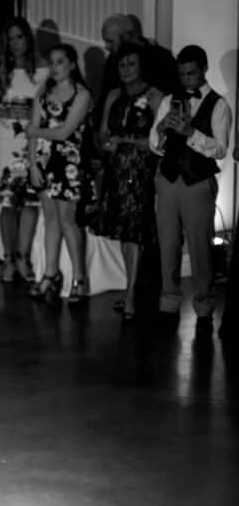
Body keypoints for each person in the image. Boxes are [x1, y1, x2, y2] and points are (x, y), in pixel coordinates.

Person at [149, 45, 232, 333]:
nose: (186, 79)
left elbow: (220, 149)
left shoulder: (219, 105)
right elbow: (154, 145)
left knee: (200, 248)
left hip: (197, 183)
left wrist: (190, 134)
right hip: (168, 179)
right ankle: (169, 303)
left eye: (191, 73)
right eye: (182, 73)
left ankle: (205, 308)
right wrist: (161, 129)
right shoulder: (170, 100)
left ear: (204, 69)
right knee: (168, 245)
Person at [94, 43, 163, 320]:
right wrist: (105, 145)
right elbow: (101, 134)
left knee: (135, 232)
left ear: (142, 66)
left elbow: (159, 143)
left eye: (131, 64)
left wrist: (122, 140)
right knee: (124, 233)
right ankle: (129, 287)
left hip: (140, 171)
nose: (126, 70)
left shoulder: (156, 96)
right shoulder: (113, 95)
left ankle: (132, 294)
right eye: (122, 65)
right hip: (115, 171)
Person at [0, 17, 48, 282]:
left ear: (28, 38)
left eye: (20, 37)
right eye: (11, 38)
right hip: (5, 136)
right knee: (8, 201)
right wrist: (5, 110)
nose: (16, 43)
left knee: (30, 200)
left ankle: (23, 257)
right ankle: (7, 258)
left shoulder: (44, 68)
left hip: (33, 137)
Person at [25, 43, 93, 302]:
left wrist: (35, 133)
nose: (54, 67)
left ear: (72, 65)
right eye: (51, 62)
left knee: (68, 221)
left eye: (60, 61)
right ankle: (50, 274)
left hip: (68, 163)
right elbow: (32, 128)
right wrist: (32, 163)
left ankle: (79, 278)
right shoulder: (43, 92)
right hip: (44, 161)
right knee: (50, 219)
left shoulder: (81, 94)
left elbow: (65, 132)